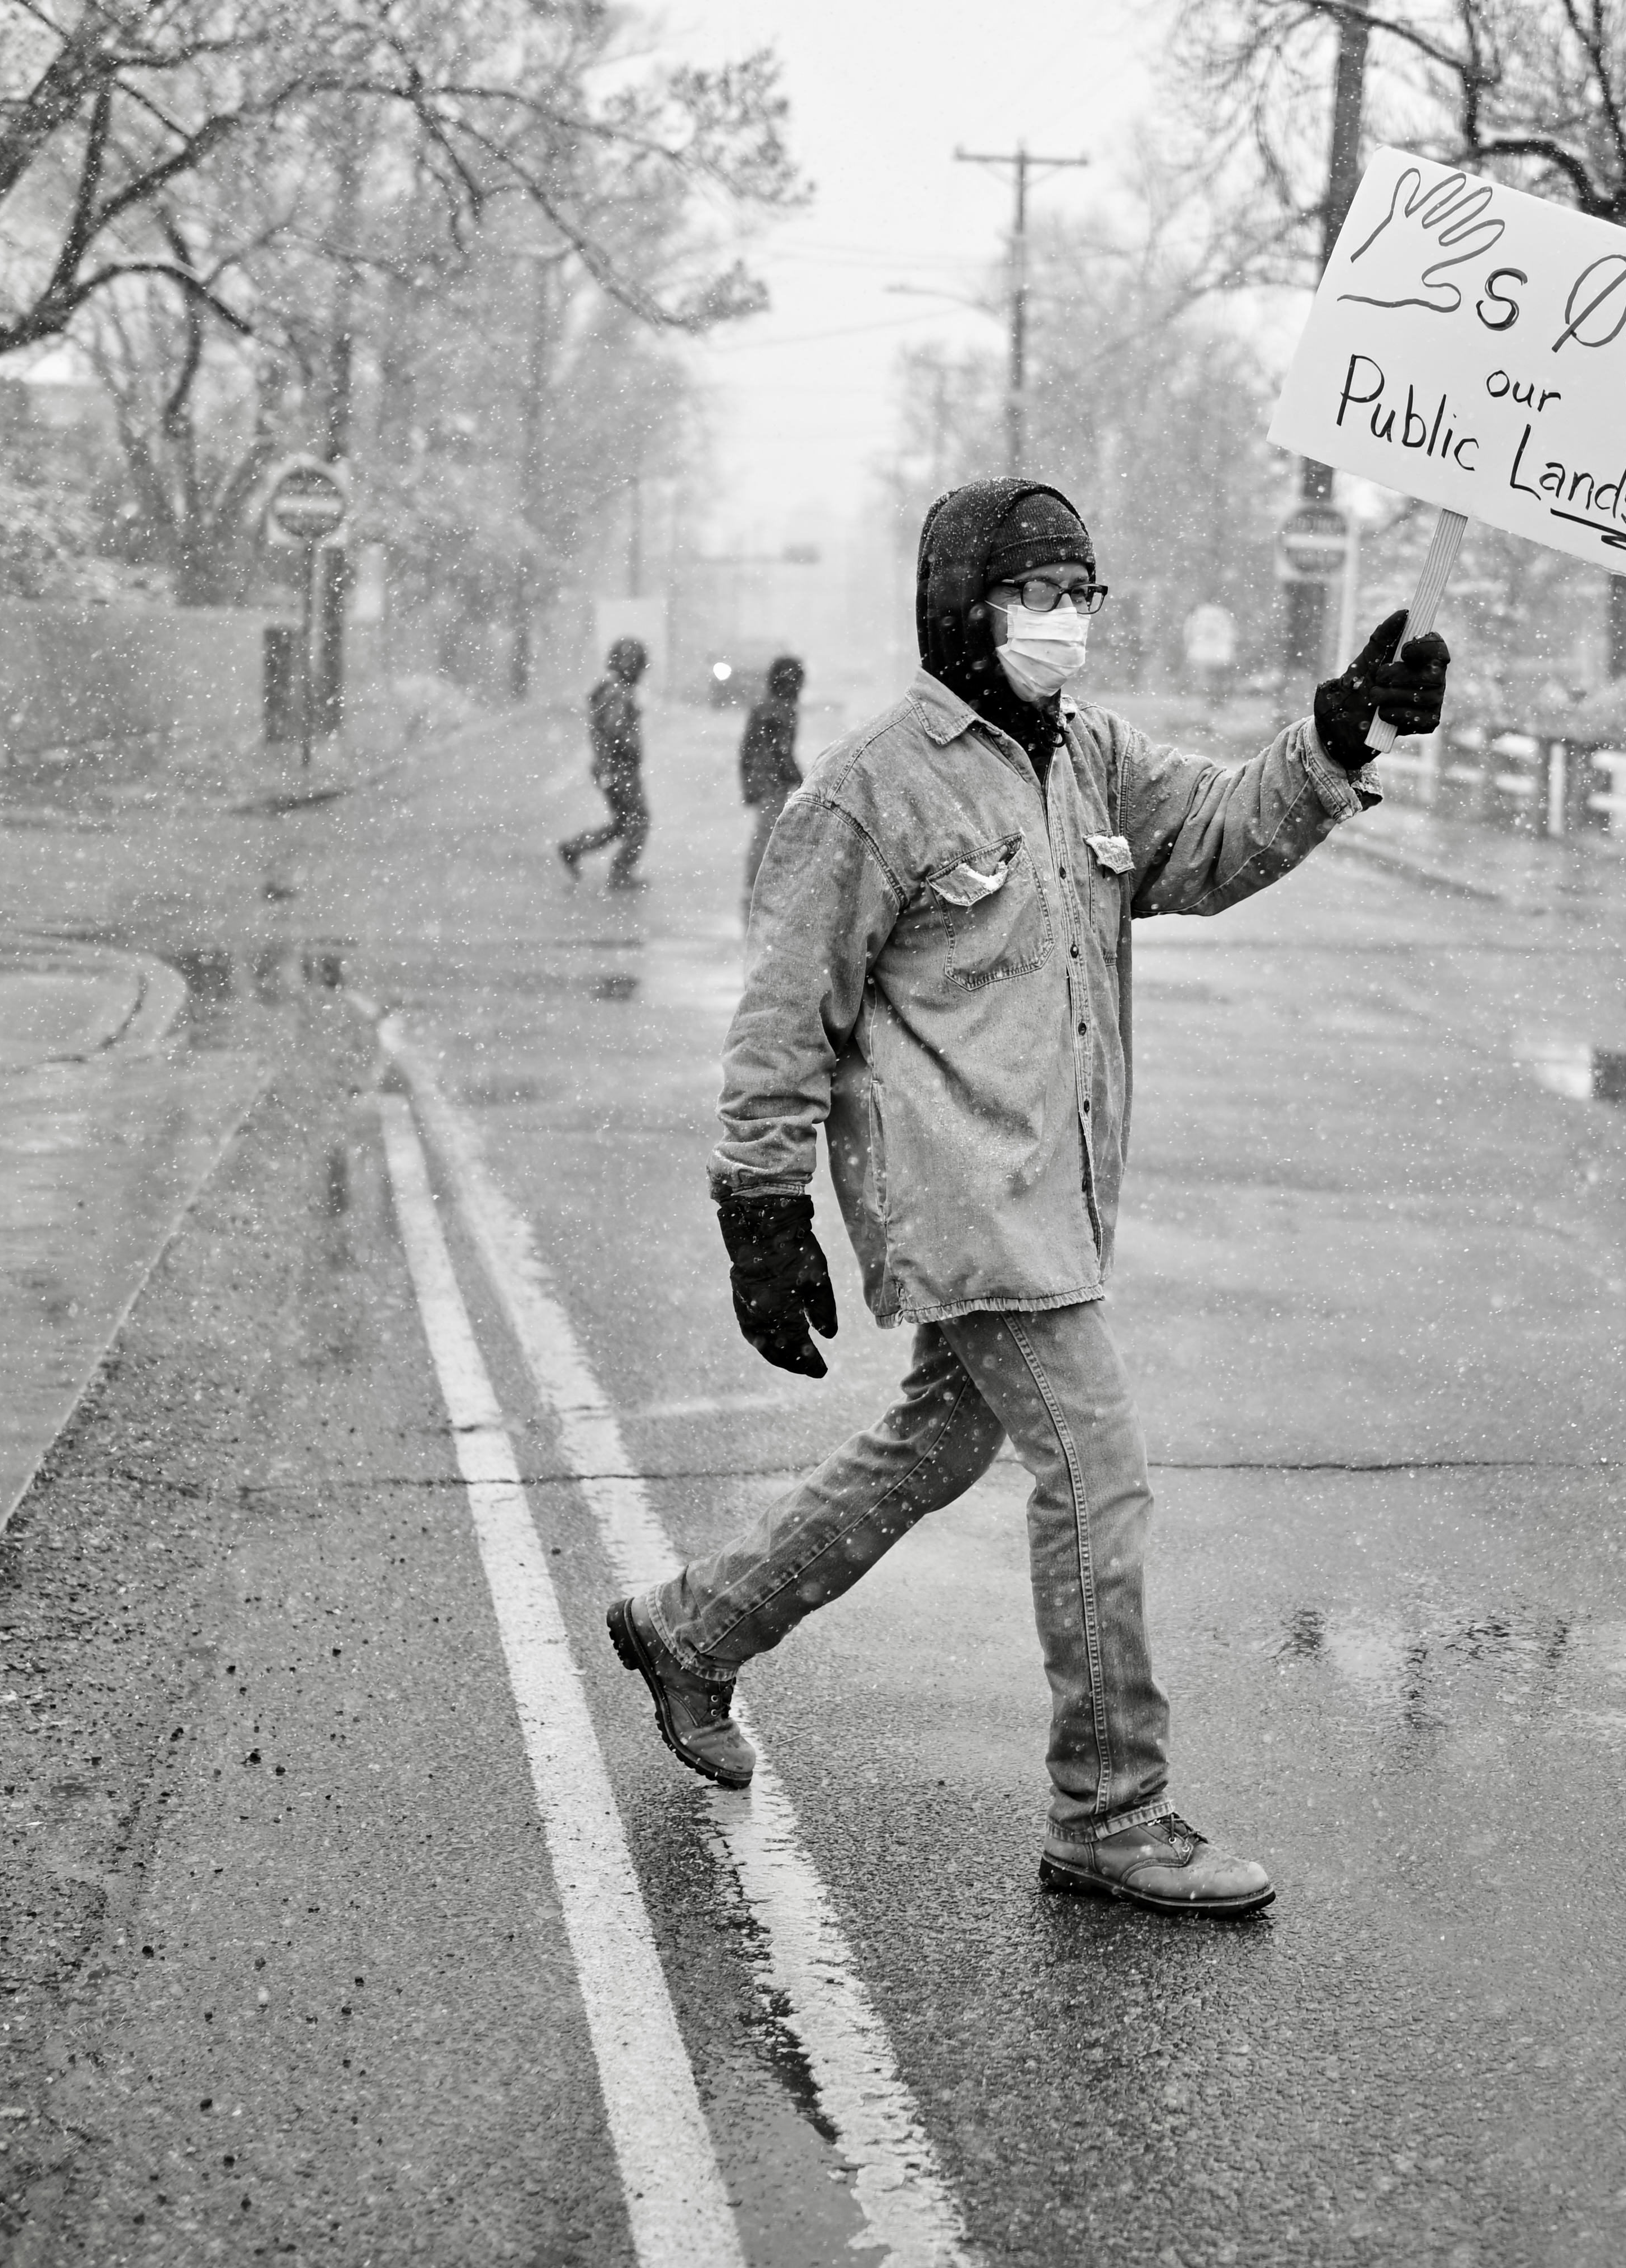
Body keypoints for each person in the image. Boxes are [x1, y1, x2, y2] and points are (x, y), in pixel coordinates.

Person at [604, 479, 1446, 1919]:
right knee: (1098, 1475)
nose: (1066, 622)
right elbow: (786, 1013)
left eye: (1080, 596)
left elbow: (1216, 837)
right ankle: (1112, 1809)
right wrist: (762, 1205)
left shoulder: (1088, 759)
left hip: (1055, 1197)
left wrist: (1341, 734)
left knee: (934, 1446)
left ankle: (695, 1631)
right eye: (1036, 595)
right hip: (965, 1201)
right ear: (964, 608)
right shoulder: (871, 791)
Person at [556, 638, 650, 886]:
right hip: (620, 769)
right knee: (639, 821)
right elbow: (613, 732)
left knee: (624, 823)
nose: (641, 672)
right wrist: (626, 753)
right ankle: (620, 872)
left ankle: (575, 848)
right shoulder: (618, 694)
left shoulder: (612, 690)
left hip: (612, 769)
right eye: (638, 665)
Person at [736, 653, 806, 919]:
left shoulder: (763, 707)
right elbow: (782, 752)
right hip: (772, 781)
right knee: (768, 834)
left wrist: (747, 780)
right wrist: (801, 781)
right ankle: (756, 885)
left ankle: (755, 883)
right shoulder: (782, 711)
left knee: (764, 833)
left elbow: (747, 748)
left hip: (761, 778)